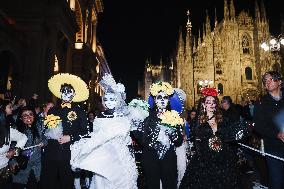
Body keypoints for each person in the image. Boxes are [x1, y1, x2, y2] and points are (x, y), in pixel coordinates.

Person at [70, 73, 138, 189]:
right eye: (106, 99)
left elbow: (125, 138)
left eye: (112, 99)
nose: (109, 101)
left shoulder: (124, 118)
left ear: (117, 100)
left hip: (120, 158)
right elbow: (95, 136)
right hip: (103, 158)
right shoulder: (99, 117)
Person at [179, 87, 248, 189]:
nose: (211, 104)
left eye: (213, 102)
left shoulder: (223, 119)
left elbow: (229, 134)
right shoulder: (197, 121)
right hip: (204, 158)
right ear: (203, 104)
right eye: (208, 102)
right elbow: (196, 139)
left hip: (223, 156)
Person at [40, 73, 89, 189]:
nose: (66, 93)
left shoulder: (79, 111)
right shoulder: (52, 110)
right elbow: (47, 129)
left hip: (69, 155)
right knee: (48, 183)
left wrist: (70, 137)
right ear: (60, 93)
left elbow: (86, 133)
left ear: (74, 94)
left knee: (66, 183)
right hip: (51, 153)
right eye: (63, 91)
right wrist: (47, 134)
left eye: (69, 91)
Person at [132, 81, 183, 189]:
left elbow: (179, 142)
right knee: (152, 185)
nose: (162, 100)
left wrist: (173, 133)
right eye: (159, 97)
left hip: (168, 156)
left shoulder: (174, 117)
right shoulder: (147, 116)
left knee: (169, 185)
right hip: (150, 156)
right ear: (155, 100)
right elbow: (139, 137)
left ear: (168, 100)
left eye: (165, 98)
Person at [254, 71, 284, 189]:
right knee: (277, 180)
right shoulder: (261, 103)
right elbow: (258, 125)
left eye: (270, 79)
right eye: (265, 81)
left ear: (279, 82)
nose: (267, 82)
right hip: (273, 148)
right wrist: (277, 134)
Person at [10, 106, 47, 189]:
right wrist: (13, 162)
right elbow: (11, 148)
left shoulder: (39, 126)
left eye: (31, 114)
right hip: (21, 164)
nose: (28, 117)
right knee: (19, 185)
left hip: (36, 165)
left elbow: (45, 138)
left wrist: (43, 142)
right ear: (20, 118)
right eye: (25, 115)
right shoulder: (15, 129)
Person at [0, 100, 28, 188]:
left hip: (3, 170)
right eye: (9, 107)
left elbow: (23, 137)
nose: (11, 109)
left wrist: (15, 151)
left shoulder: (7, 130)